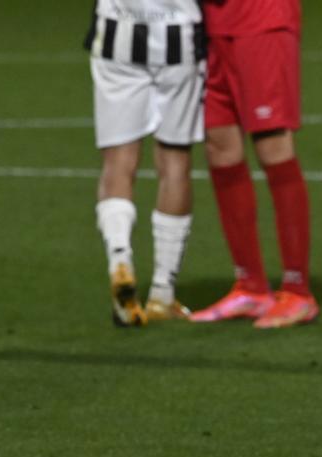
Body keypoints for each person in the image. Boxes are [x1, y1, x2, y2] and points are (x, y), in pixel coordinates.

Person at [189, 0, 317, 329]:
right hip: (211, 23)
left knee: (272, 146)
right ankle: (250, 286)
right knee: (220, 148)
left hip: (261, 20)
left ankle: (297, 291)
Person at [85, 0, 204, 326]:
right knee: (174, 161)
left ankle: (120, 258)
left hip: (117, 33)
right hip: (177, 35)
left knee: (118, 161)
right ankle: (162, 293)